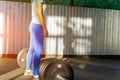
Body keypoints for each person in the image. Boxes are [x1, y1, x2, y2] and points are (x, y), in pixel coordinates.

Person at [24, 0, 48, 80]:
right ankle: (35, 75)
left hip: (33, 25)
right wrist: (44, 28)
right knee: (37, 51)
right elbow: (39, 13)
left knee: (32, 49)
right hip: (37, 26)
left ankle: (27, 70)